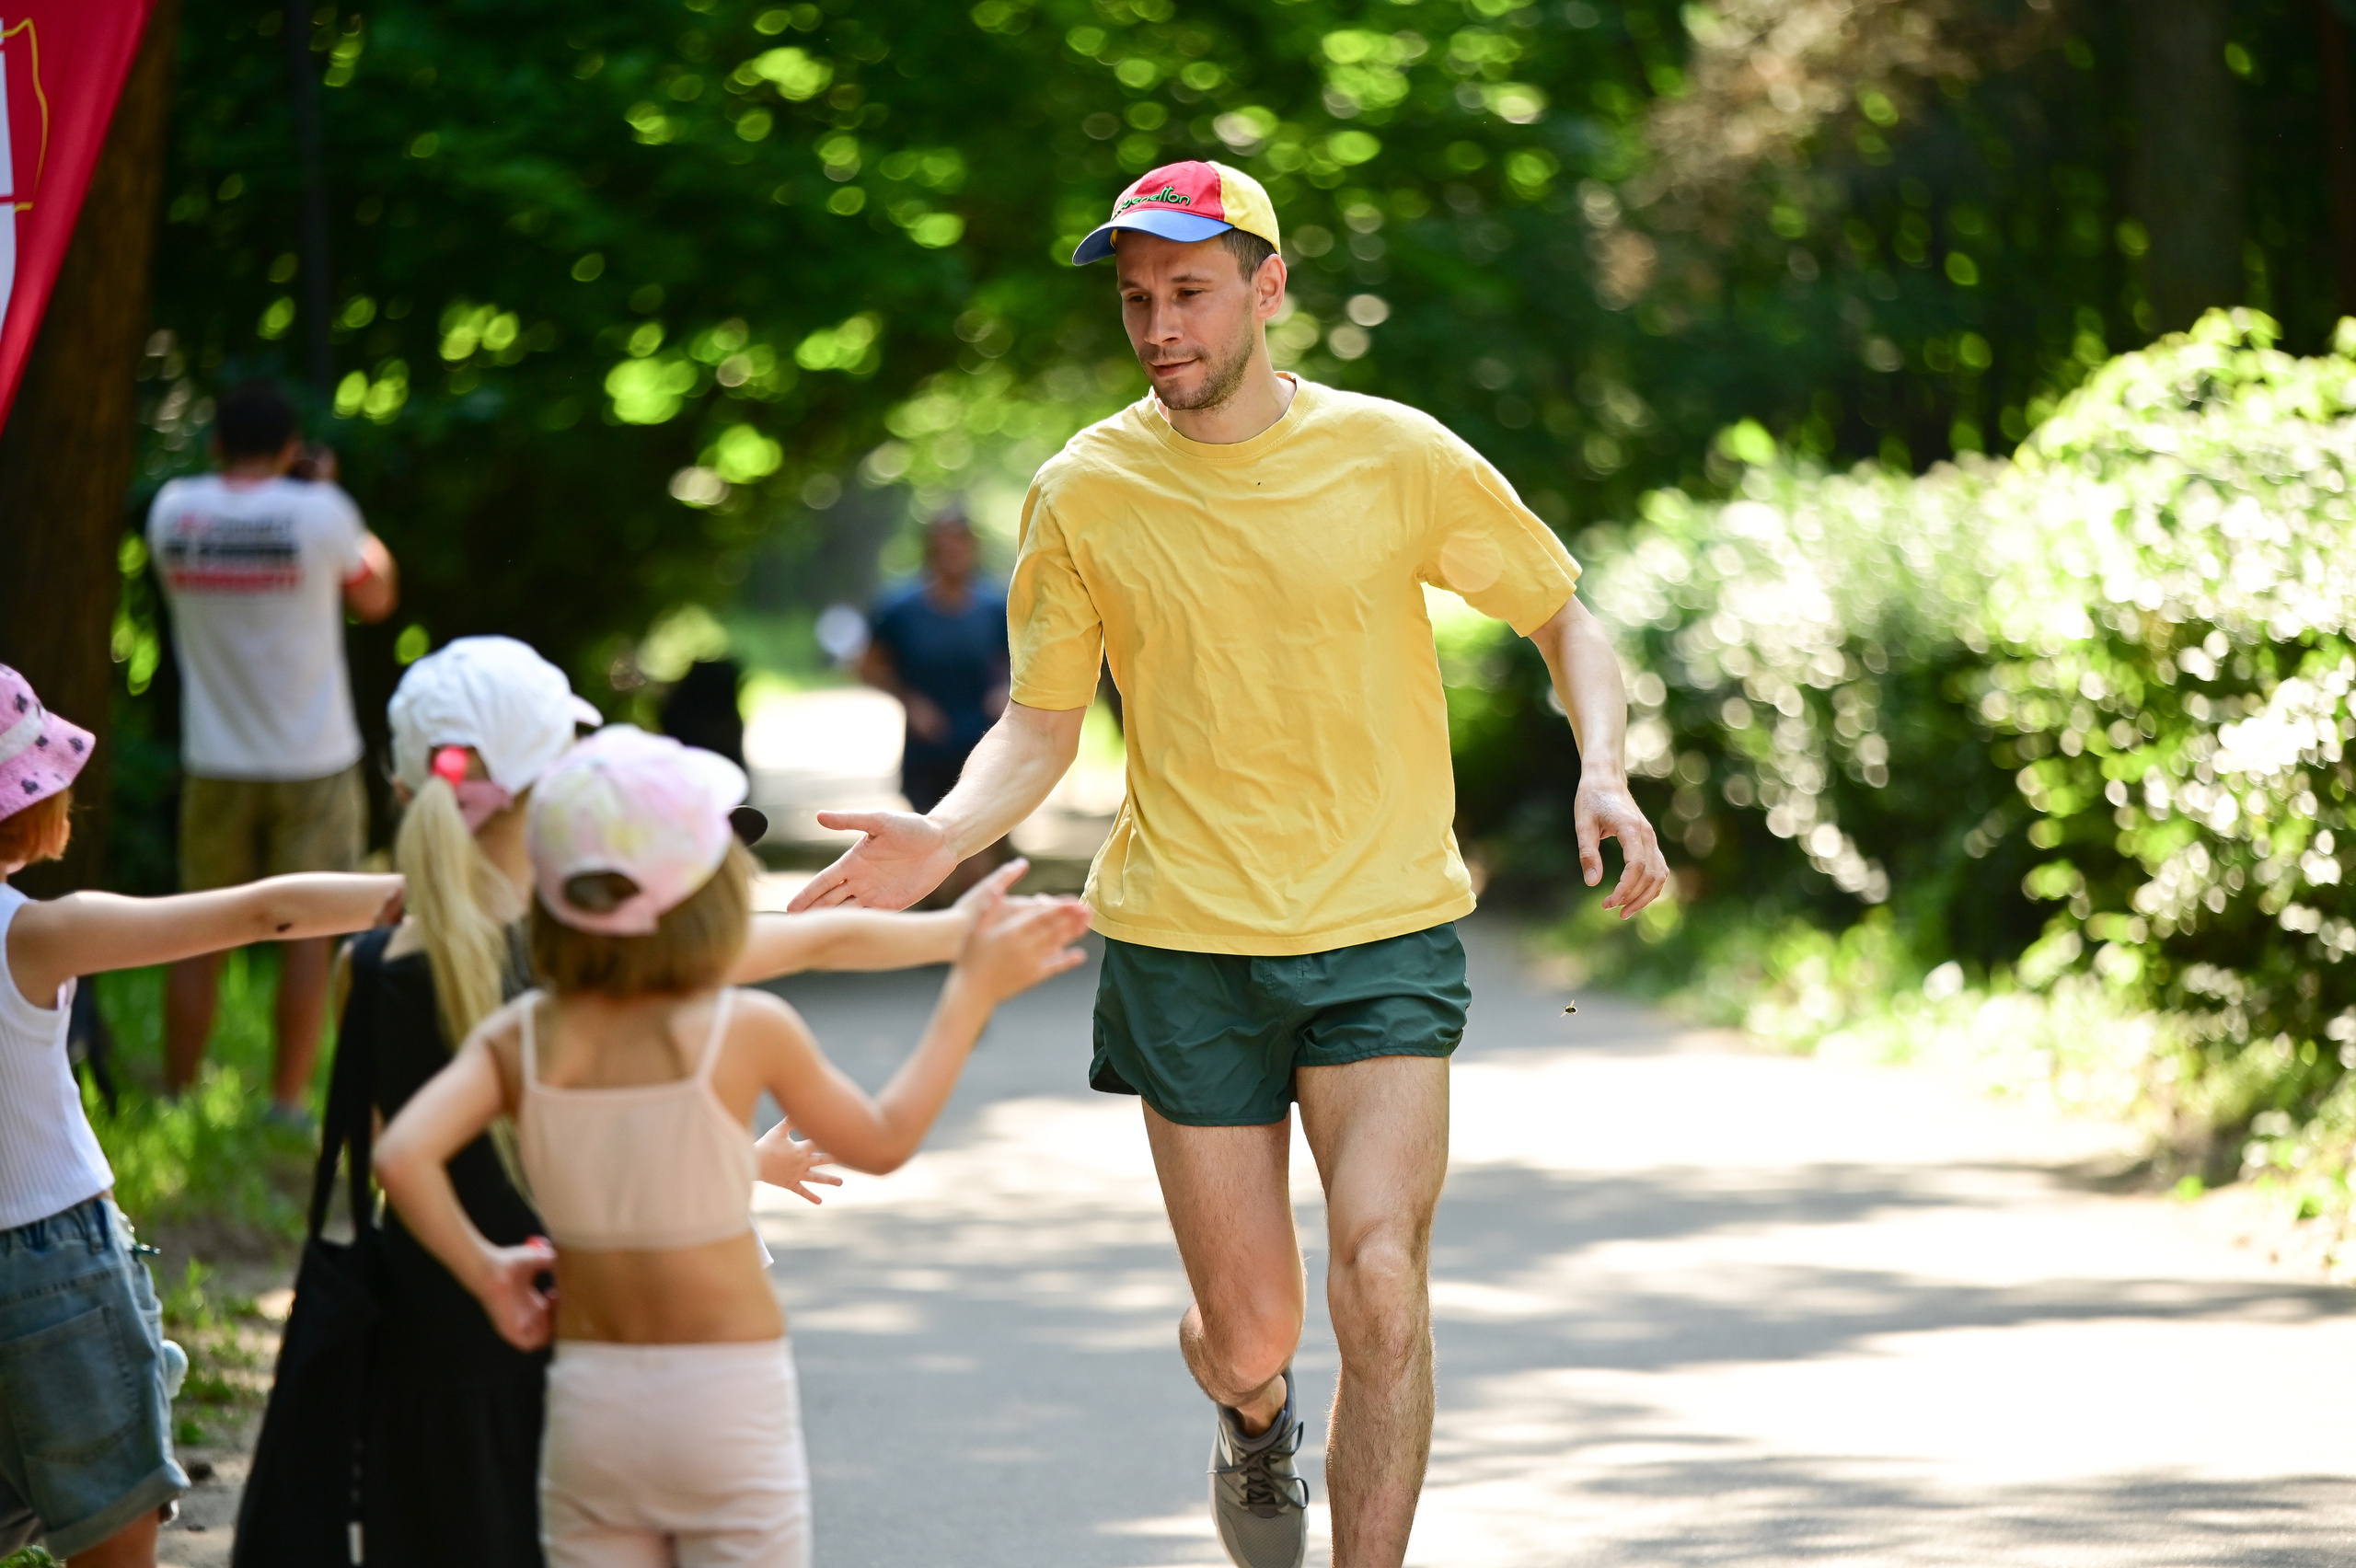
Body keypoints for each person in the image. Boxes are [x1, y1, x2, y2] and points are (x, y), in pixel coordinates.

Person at [789, 159, 1670, 1568]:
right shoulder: (1083, 490)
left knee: (1381, 1281)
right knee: (1254, 1329)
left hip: (1382, 923)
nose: (1158, 326)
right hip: (1183, 942)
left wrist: (1605, 770)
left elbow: (1566, 618)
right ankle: (1255, 1417)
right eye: (1137, 300)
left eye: (1189, 291)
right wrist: (947, 836)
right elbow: (1039, 725)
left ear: (1267, 287)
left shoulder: (1395, 455)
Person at [348, 637, 1058, 1564]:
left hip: (590, 1403)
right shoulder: (740, 1026)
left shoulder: (521, 1034)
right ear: (707, 889)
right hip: (725, 1401)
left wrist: (490, 1272)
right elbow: (881, 1141)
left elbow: (400, 1156)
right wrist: (969, 988)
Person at [0, 664, 400, 1568]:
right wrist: (437, 892)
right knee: (111, 1535)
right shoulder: (34, 935)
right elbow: (269, 913)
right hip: (49, 1264)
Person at [147, 378, 400, 1121]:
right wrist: (330, 495)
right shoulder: (321, 513)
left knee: (195, 930)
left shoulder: (173, 510)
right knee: (309, 936)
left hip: (214, 754)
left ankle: (177, 1092)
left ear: (216, 440)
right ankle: (287, 1101)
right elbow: (376, 595)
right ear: (292, 446)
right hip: (312, 757)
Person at [860, 515, 1010, 901]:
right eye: (943, 545)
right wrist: (910, 702)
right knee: (933, 844)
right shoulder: (901, 610)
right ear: (929, 549)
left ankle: (977, 928)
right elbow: (870, 665)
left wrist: (1007, 690)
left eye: (960, 544)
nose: (952, 553)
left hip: (985, 742)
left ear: (973, 548)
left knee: (976, 846)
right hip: (928, 746)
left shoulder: (996, 607)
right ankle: (940, 928)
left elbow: (1026, 660)